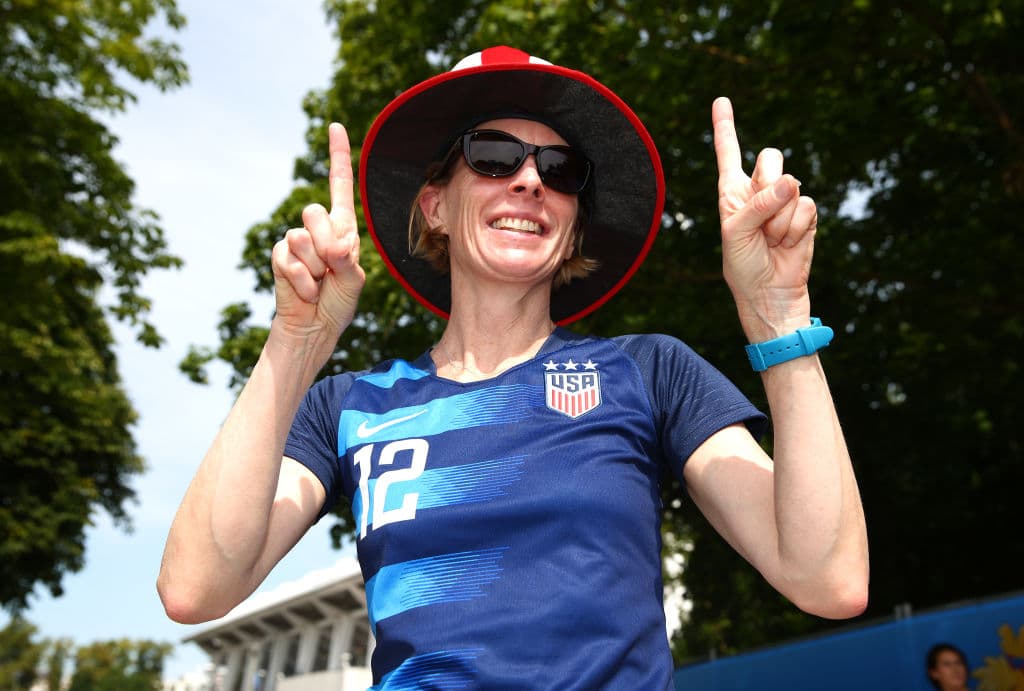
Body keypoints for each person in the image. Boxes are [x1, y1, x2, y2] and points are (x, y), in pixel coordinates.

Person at [158, 46, 869, 689]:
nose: (530, 180)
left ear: (573, 227)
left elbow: (829, 578)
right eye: (493, 154)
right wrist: (296, 339)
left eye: (561, 171)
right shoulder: (351, 406)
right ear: (434, 205)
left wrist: (780, 317)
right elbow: (195, 588)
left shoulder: (649, 372)